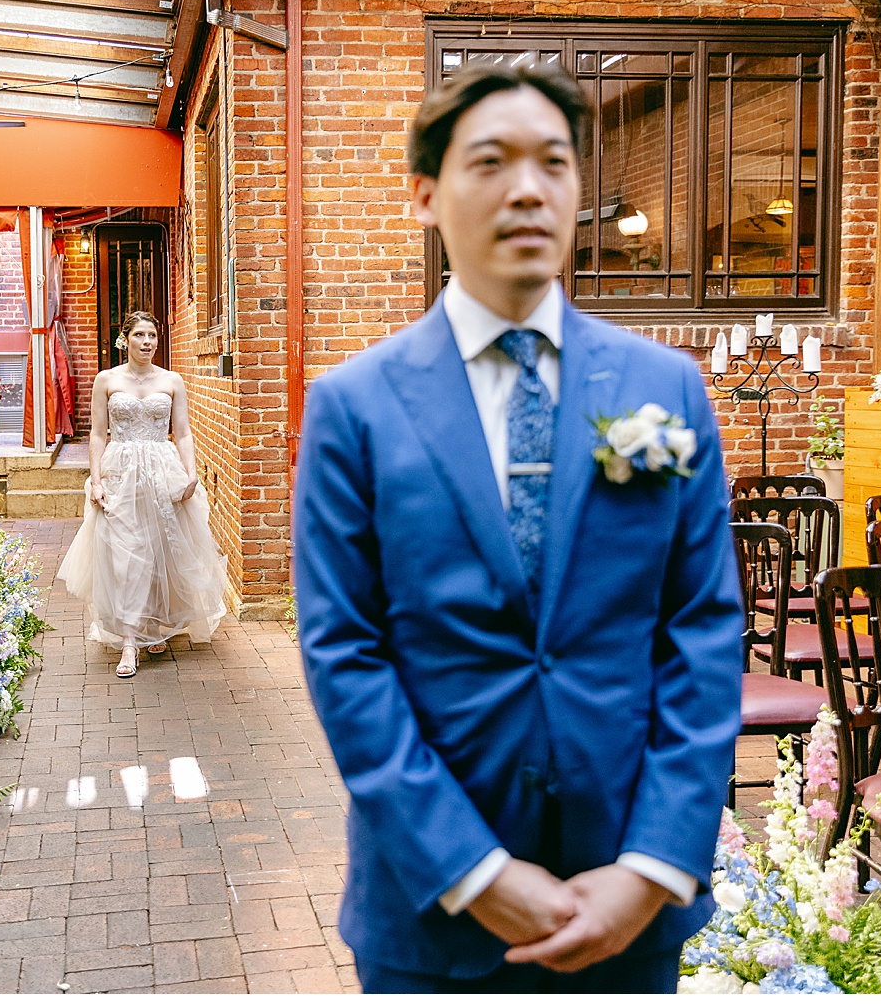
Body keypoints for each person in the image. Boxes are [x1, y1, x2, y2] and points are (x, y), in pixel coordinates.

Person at [293, 62, 742, 994]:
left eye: (555, 163)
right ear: (426, 192)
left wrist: (655, 864)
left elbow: (701, 632)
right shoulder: (354, 407)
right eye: (491, 161)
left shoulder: (667, 391)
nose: (529, 188)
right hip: (431, 910)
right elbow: (346, 650)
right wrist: (474, 869)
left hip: (627, 897)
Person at [55, 309, 232, 678]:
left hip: (161, 469)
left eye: (152, 335)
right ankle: (130, 642)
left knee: (159, 550)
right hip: (120, 469)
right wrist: (98, 479)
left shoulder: (172, 380)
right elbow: (97, 434)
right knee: (126, 556)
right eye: (140, 335)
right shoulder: (107, 379)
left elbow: (182, 432)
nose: (147, 342)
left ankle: (156, 625)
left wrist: (192, 473)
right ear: (126, 339)